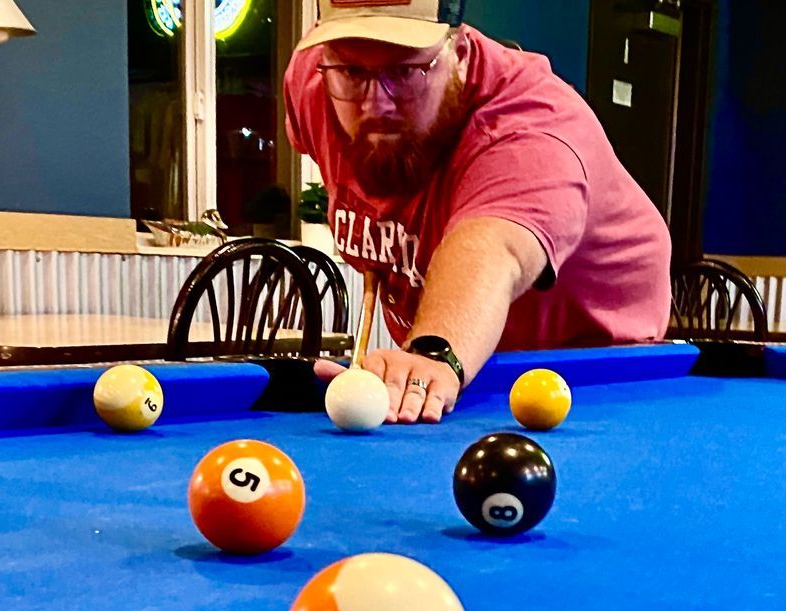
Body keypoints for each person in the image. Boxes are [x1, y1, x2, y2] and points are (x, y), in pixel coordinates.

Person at [285, 0, 673, 424]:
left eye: (404, 72)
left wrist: (433, 352)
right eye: (353, 72)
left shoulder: (533, 126)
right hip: (453, 373)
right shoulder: (312, 84)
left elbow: (493, 247)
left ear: (460, 54)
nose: (376, 105)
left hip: (591, 378)